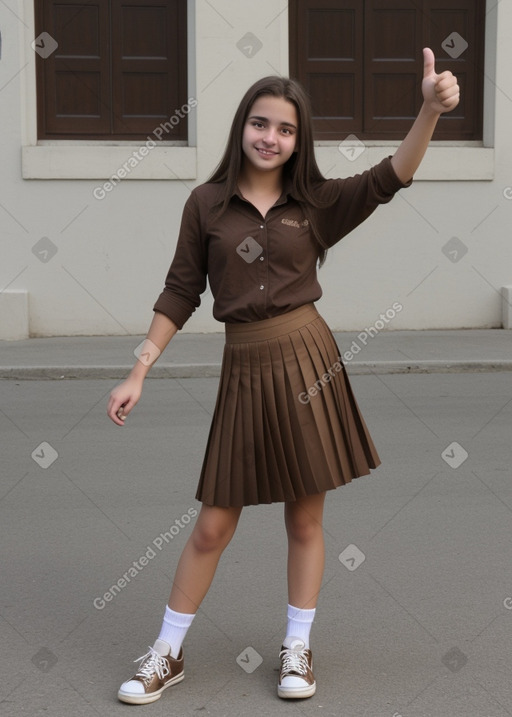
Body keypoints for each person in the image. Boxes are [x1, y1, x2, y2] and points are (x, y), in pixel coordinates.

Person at [107, 47, 459, 704]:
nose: (271, 137)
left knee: (305, 519)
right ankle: (167, 651)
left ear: (300, 140)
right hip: (245, 368)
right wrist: (139, 371)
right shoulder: (206, 205)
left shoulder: (317, 203)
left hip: (309, 362)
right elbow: (181, 291)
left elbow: (392, 176)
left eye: (286, 128)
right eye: (261, 123)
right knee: (214, 523)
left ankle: (297, 646)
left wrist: (428, 111)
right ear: (243, 126)